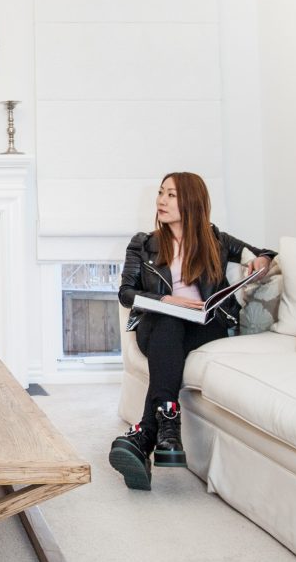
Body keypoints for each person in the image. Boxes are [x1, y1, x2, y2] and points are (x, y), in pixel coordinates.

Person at [108, 172, 276, 490]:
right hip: (156, 324)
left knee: (176, 329)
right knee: (170, 322)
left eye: (171, 195)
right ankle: (167, 428)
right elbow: (126, 294)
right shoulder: (143, 244)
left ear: (191, 202)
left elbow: (264, 253)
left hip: (205, 326)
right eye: (160, 193)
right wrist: (167, 299)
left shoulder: (215, 239)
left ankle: (146, 435)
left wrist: (262, 262)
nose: (161, 200)